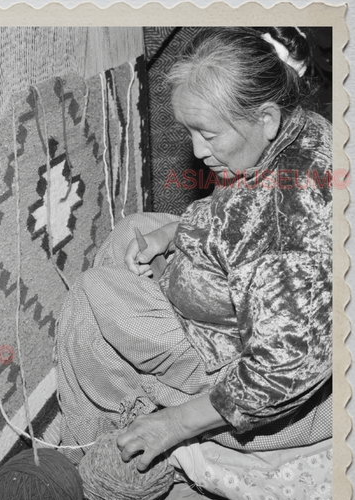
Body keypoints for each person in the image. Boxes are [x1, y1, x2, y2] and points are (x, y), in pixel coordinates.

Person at [56, 27, 332, 474]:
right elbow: (238, 212)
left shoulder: (287, 225)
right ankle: (113, 389)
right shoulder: (299, 131)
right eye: (189, 131)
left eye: (207, 133)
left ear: (265, 117)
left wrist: (176, 425)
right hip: (239, 310)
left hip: (251, 392)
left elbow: (280, 372)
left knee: (92, 294)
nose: (198, 151)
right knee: (136, 230)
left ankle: (104, 458)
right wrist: (174, 234)